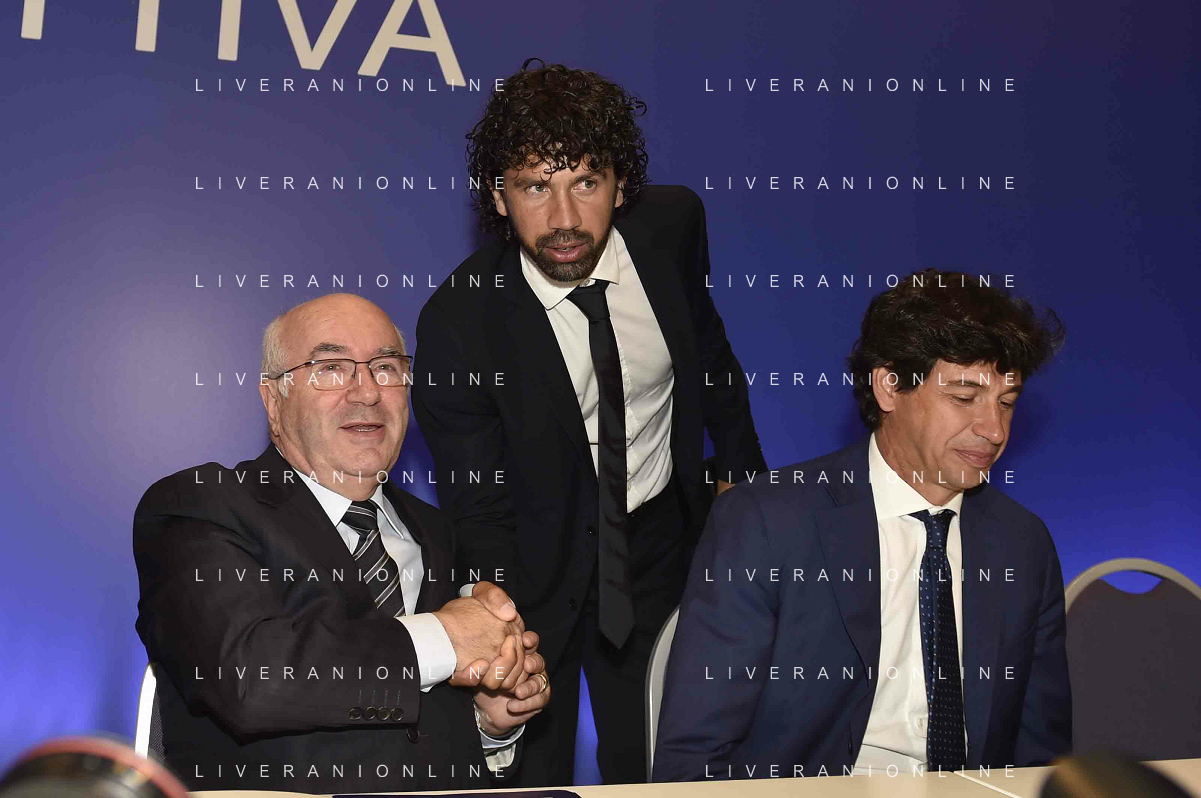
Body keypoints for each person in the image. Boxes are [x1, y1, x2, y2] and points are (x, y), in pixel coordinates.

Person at [411, 60, 767, 785]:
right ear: (498, 197)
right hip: (534, 564)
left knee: (661, 762)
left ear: (621, 185)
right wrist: (499, 615)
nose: (564, 219)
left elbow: (708, 352)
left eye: (586, 182)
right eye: (534, 187)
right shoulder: (459, 323)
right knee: (533, 776)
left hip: (659, 541)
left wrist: (740, 475)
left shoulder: (672, 228)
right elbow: (478, 504)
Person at [652, 270, 1072, 781]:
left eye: (1006, 402)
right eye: (965, 398)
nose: (994, 429)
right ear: (889, 386)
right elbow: (694, 757)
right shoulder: (766, 522)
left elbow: (1039, 761)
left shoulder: (1022, 544)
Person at [133, 293, 551, 793]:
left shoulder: (441, 532)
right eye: (331, 368)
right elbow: (251, 680)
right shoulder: (200, 506)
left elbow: (424, 723)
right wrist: (447, 636)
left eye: (386, 367)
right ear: (273, 399)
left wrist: (488, 725)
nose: (367, 392)